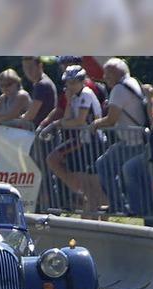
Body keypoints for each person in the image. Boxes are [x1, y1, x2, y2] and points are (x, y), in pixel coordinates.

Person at [46, 65, 106, 214]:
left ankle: (104, 213)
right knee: (87, 182)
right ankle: (89, 208)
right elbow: (67, 118)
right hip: (84, 140)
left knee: (93, 182)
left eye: (74, 82)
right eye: (68, 82)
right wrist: (68, 101)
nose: (70, 86)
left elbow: (79, 121)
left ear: (82, 81)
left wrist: (60, 123)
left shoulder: (85, 94)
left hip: (93, 141)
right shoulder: (74, 96)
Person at [92, 58, 148, 213]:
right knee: (105, 164)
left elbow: (111, 119)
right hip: (134, 140)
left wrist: (95, 124)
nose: (104, 77)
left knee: (116, 169)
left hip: (133, 141)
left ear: (118, 73)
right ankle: (121, 205)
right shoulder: (133, 83)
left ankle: (126, 207)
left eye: (108, 74)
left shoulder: (119, 88)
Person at [21, 56, 57, 128]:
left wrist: (17, 119)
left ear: (40, 66)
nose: (28, 71)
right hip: (46, 130)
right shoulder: (44, 82)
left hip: (44, 133)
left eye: (31, 67)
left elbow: (31, 115)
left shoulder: (41, 85)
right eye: (25, 68)